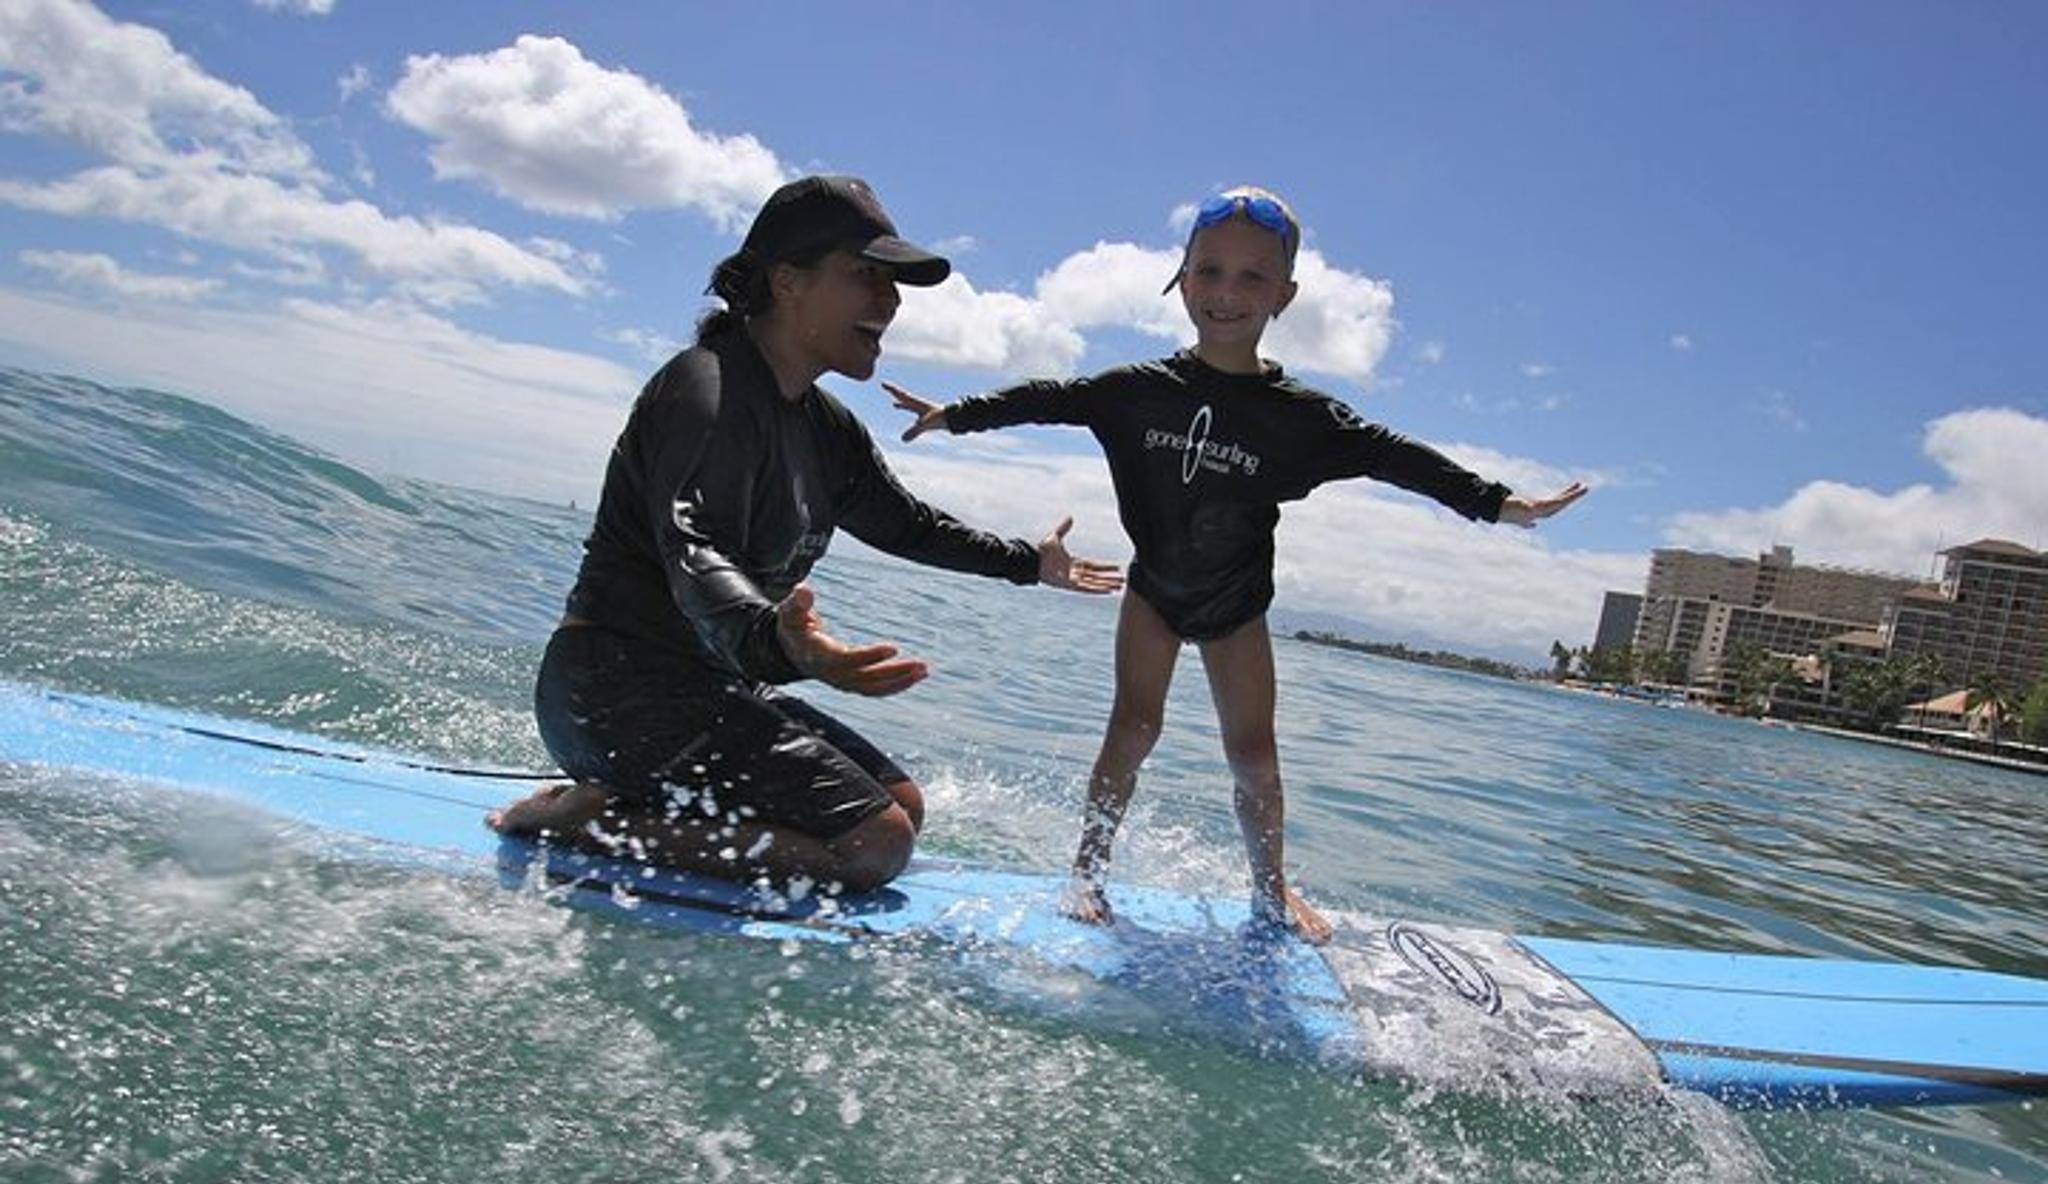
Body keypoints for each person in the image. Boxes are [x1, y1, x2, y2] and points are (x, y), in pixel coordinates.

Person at [886, 186, 1586, 943]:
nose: (1228, 291)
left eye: (1254, 277)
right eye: (1212, 271)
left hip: (1237, 603)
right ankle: (1088, 870)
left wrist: (1498, 503)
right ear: (1182, 280)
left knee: (1254, 757)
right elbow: (1050, 397)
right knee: (1133, 728)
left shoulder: (1303, 420)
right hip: (1154, 591)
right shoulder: (1133, 392)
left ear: (1284, 295)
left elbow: (1394, 456)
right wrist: (954, 415)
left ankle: (1271, 887)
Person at [489, 174, 1123, 894]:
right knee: (874, 843)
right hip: (612, 692)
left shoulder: (825, 429)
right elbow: (692, 546)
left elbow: (907, 525)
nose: (890, 300)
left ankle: (620, 803)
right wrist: (780, 641)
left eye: (893, 283)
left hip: (707, 689)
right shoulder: (704, 388)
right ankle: (586, 823)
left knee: (903, 805)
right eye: (865, 275)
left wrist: (1028, 562)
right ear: (786, 280)